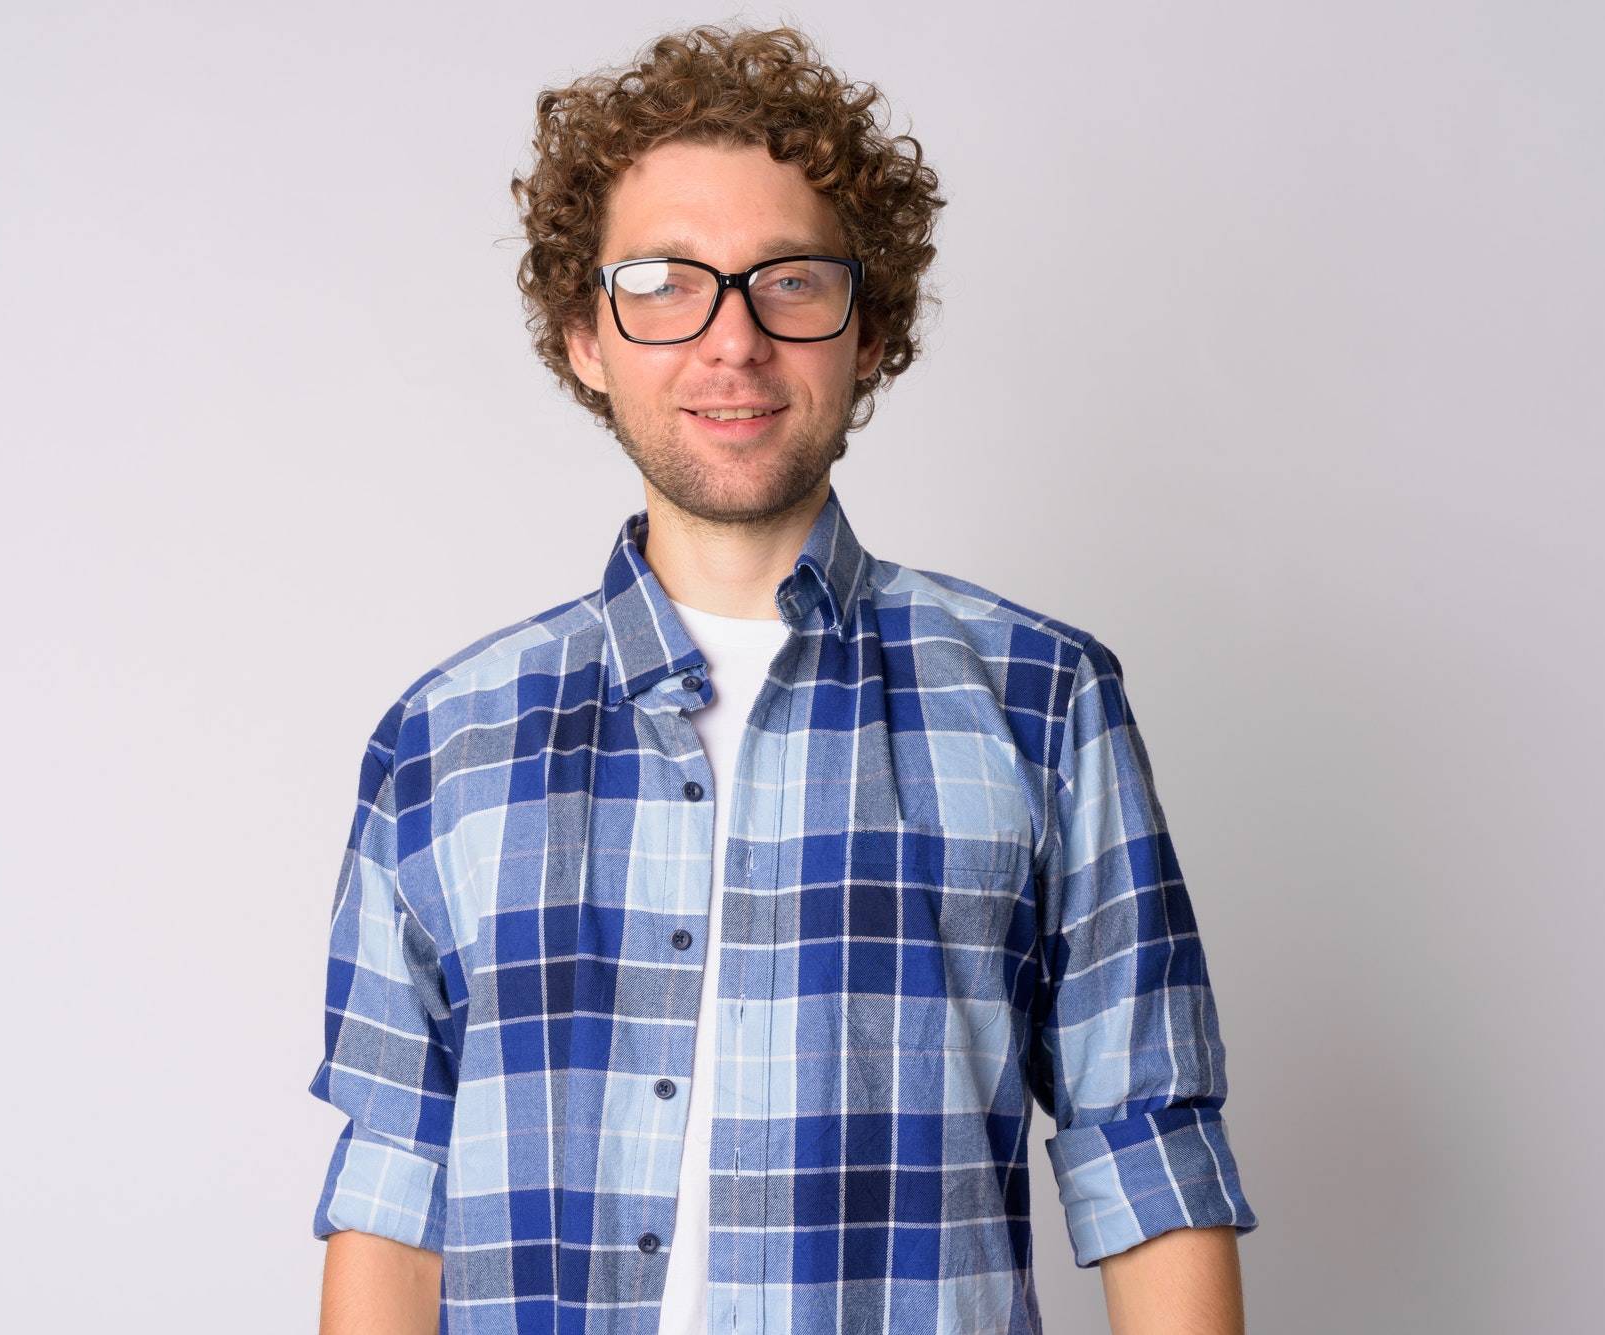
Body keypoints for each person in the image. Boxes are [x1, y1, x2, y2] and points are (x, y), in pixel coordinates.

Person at [310, 24, 1258, 1335]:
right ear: (585, 335)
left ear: (869, 334)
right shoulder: (444, 741)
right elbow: (394, 1200)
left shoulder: (1043, 702)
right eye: (663, 283)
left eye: (791, 283)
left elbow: (1147, 1153)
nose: (732, 342)